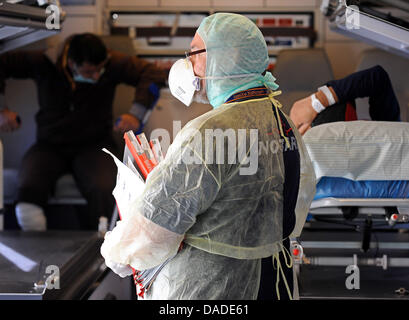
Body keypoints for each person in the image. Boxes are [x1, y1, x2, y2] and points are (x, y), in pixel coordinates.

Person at [101, 13, 316, 300]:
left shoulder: (209, 131)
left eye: (193, 53)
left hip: (215, 287)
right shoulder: (280, 120)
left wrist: (115, 250)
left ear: (224, 57)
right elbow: (296, 199)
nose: (187, 63)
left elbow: (153, 229)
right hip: (274, 281)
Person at [0, 33, 168, 231]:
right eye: (89, 72)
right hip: (49, 145)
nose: (96, 76)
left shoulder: (111, 62)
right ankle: (41, 257)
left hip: (95, 145)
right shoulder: (45, 62)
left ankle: (101, 253)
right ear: (71, 63)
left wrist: (135, 114)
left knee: (105, 189)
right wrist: (2, 109)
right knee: (28, 192)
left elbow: (152, 73)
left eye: (100, 70)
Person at [289, 65, 401, 135]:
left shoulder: (389, 135)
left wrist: (319, 101)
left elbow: (377, 79)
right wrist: (317, 102)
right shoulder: (393, 138)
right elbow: (377, 78)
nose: (364, 121)